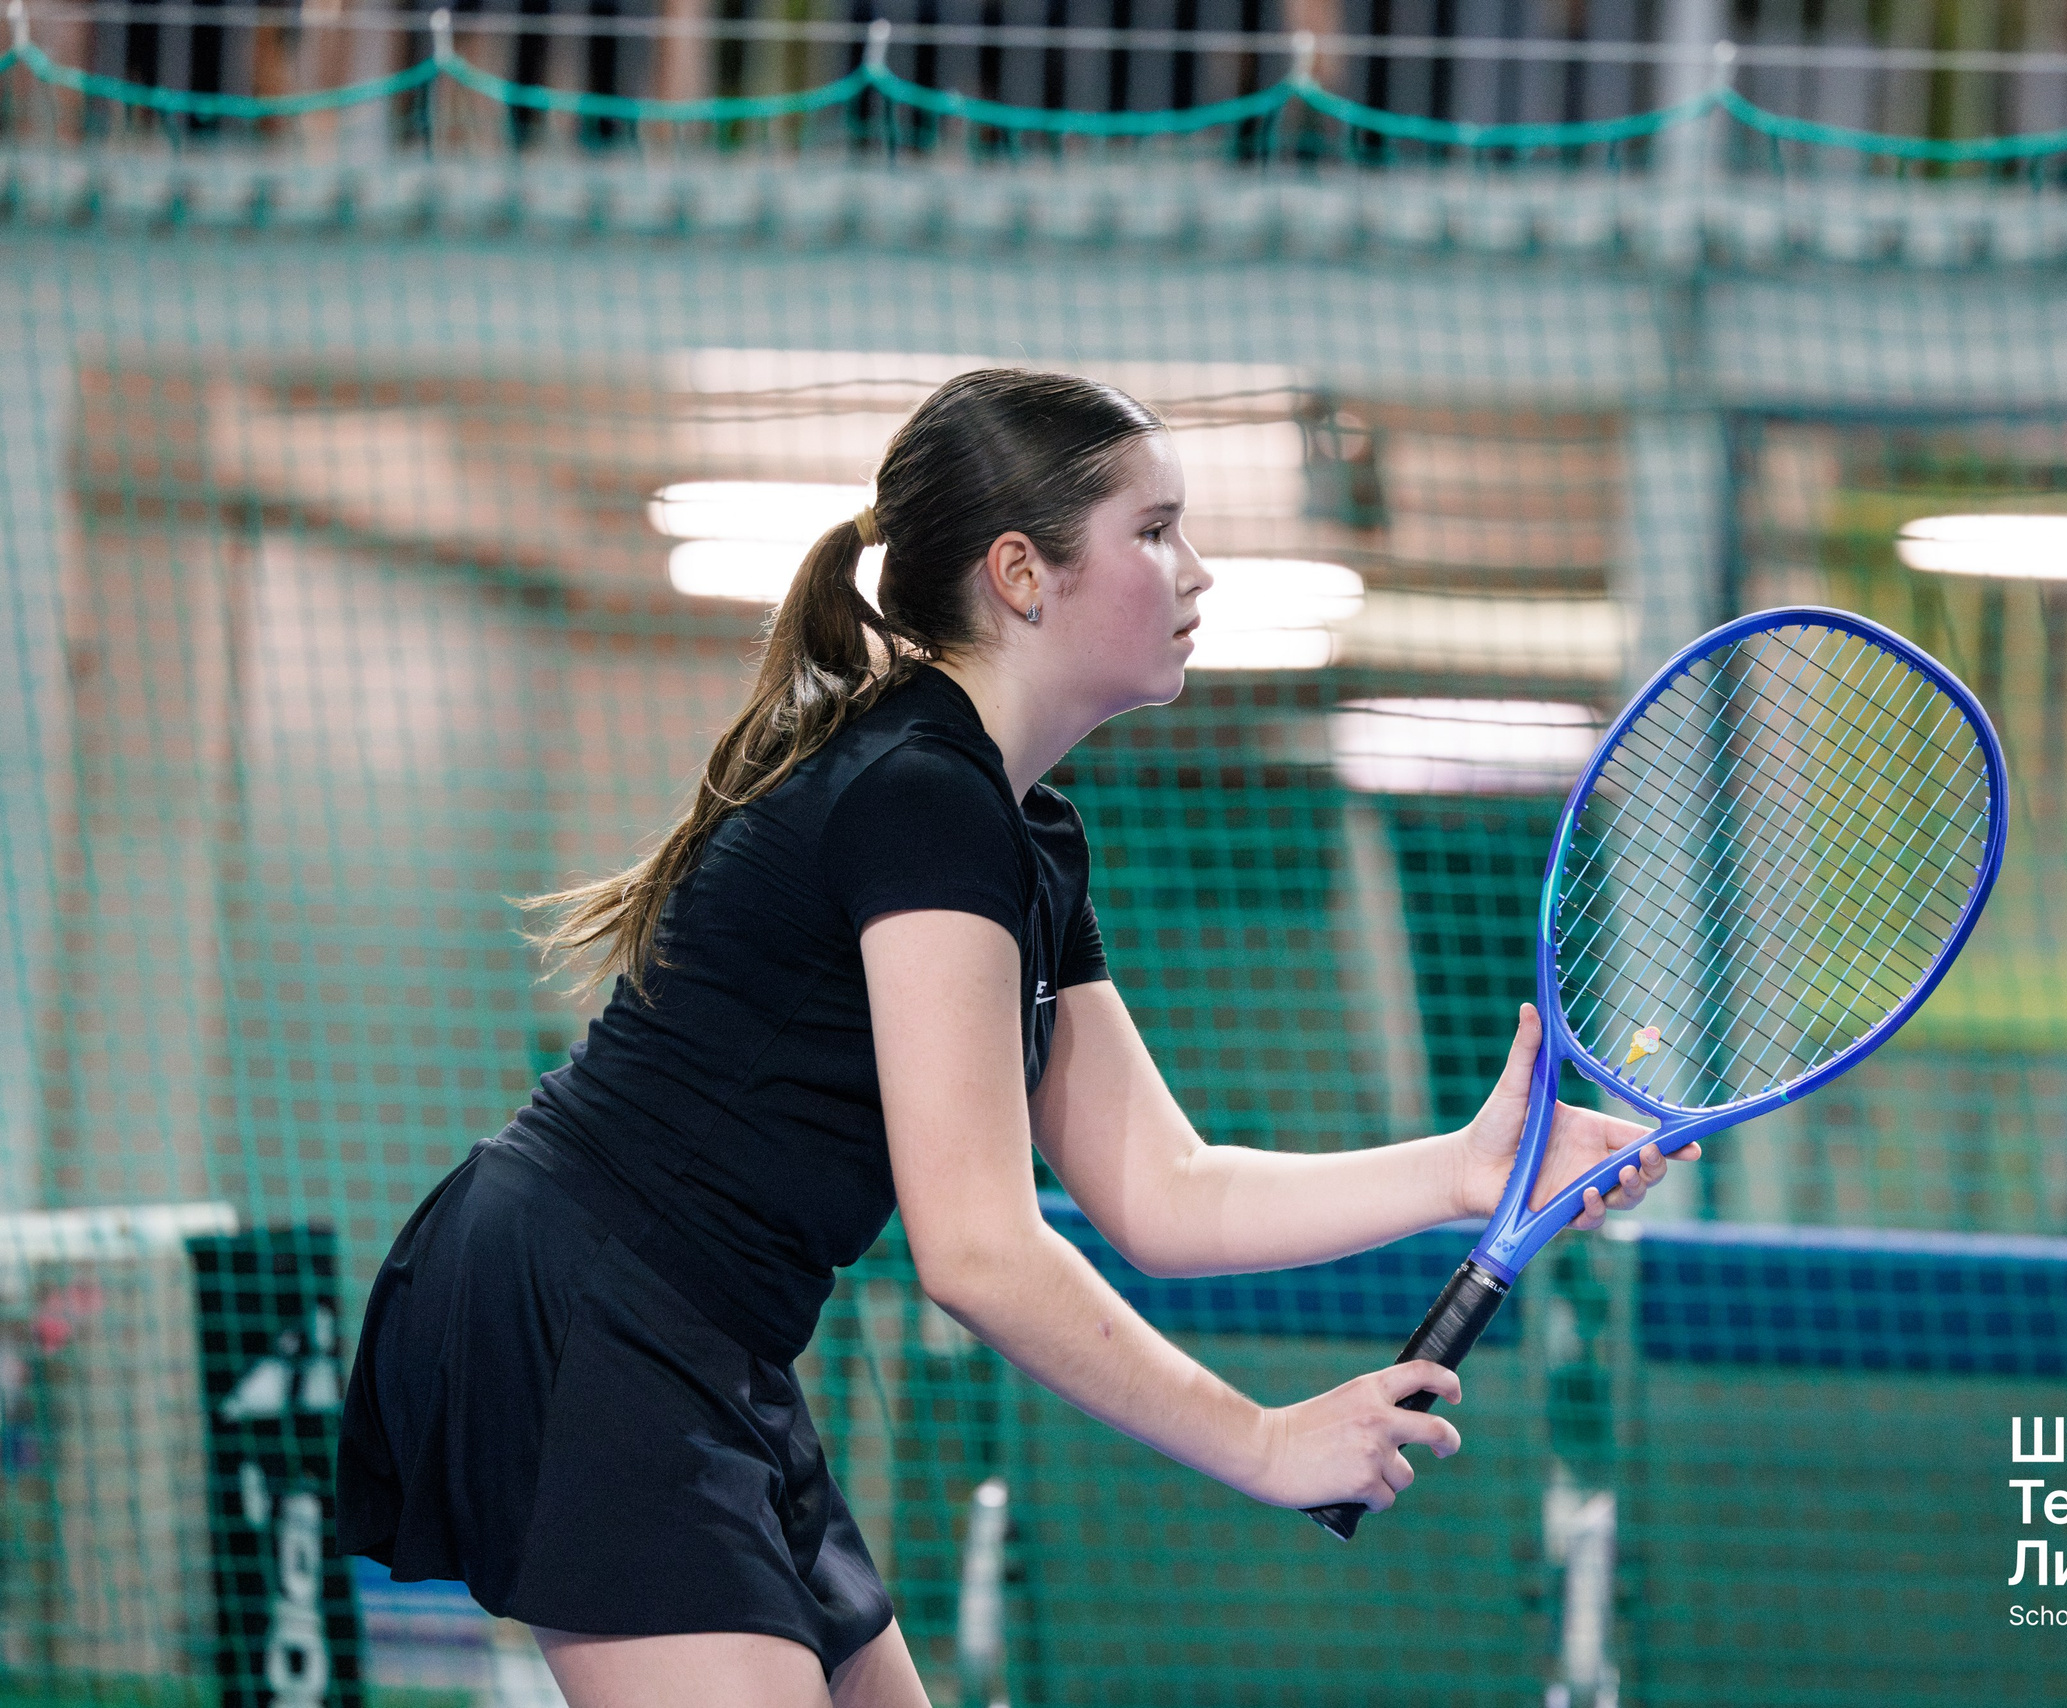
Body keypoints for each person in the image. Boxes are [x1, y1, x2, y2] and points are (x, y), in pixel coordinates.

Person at [334, 369, 1692, 1708]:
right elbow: (977, 1251)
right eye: (1153, 533)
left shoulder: (1025, 834)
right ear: (1021, 575)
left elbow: (1166, 1193)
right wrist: (1262, 1441)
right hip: (577, 1306)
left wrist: (1467, 1168)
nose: (1197, 572)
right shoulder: (922, 797)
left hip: (702, 1340)